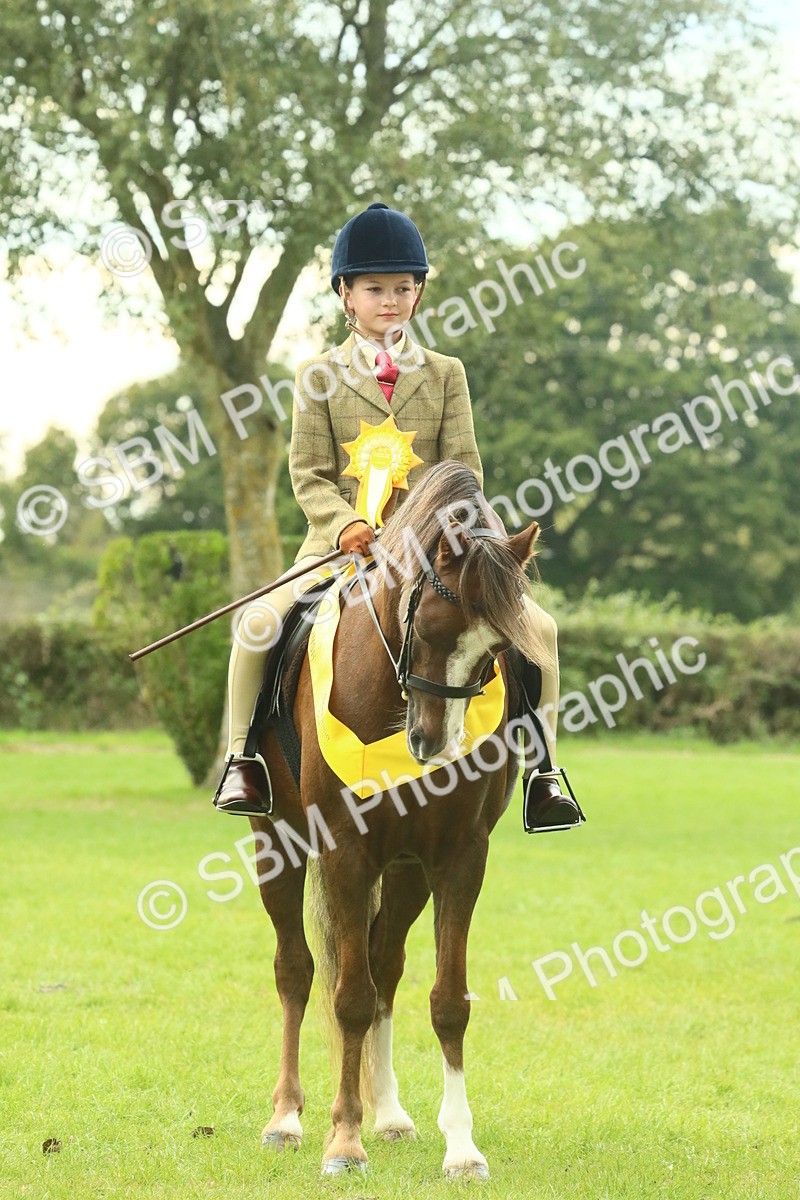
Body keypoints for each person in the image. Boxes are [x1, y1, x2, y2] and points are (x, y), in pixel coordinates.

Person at [214, 202, 583, 834]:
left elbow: (464, 467)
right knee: (257, 623)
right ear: (345, 295)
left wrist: (440, 537)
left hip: (436, 554)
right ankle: (242, 758)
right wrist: (346, 526)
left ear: (418, 295)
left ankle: (543, 772)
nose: (390, 300)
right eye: (375, 289)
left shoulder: (445, 375)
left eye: (402, 289)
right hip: (339, 548)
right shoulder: (318, 376)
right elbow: (308, 475)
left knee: (541, 630)